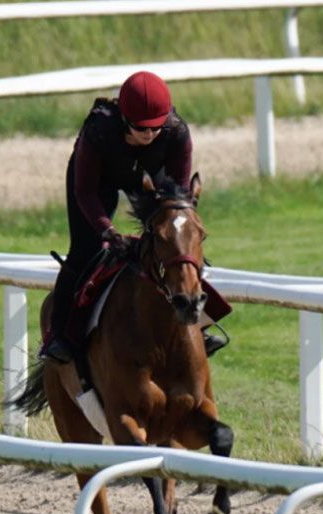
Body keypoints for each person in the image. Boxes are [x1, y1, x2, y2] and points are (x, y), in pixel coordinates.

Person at [43, 70, 228, 363]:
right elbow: (86, 193)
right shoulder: (99, 130)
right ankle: (59, 336)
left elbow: (179, 201)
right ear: (124, 119)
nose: (150, 135)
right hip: (95, 181)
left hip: (148, 178)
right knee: (85, 251)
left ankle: (199, 324)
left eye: (156, 128)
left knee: (177, 249)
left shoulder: (176, 132)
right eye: (142, 129)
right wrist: (108, 232)